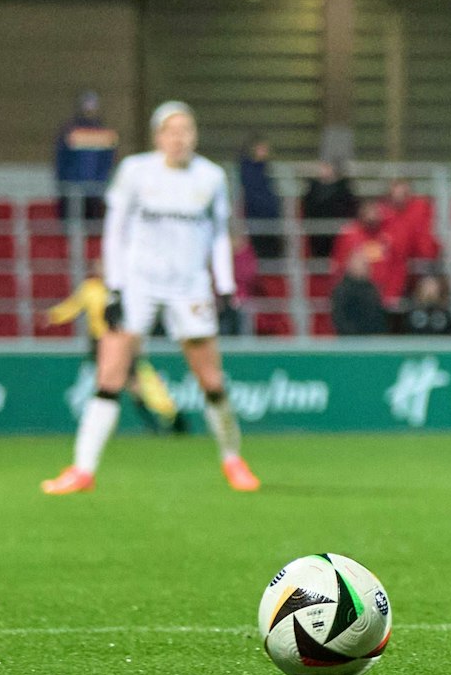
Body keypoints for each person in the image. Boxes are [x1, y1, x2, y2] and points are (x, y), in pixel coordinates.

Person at [42, 101, 258, 495]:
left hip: (189, 285)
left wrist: (224, 287)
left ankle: (233, 459)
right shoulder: (136, 171)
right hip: (139, 284)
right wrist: (115, 288)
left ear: (194, 135)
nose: (179, 138)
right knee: (109, 376)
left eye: (186, 130)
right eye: (171, 131)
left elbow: (218, 236)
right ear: (159, 136)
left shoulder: (210, 177)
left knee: (211, 380)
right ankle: (82, 470)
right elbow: (115, 233)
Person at [42, 275, 184, 434]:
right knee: (116, 383)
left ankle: (164, 419)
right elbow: (73, 306)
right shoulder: (91, 288)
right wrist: (53, 316)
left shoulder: (123, 288)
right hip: (99, 342)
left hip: (120, 340)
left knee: (132, 382)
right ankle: (157, 422)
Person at [330, 199, 409, 308]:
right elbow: (339, 266)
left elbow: (398, 266)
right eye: (368, 211)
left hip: (384, 297)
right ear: (361, 212)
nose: (372, 215)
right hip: (355, 297)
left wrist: (392, 294)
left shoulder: (390, 235)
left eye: (375, 211)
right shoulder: (348, 235)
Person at [53, 90, 118, 221]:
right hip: (72, 189)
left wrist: (102, 181)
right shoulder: (69, 131)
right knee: (70, 224)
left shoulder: (105, 133)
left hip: (96, 189)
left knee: (93, 226)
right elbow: (62, 160)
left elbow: (107, 161)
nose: (89, 111)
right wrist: (66, 180)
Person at [237, 136, 283, 260]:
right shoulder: (247, 168)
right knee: (259, 249)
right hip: (256, 214)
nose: (265, 152)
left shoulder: (266, 167)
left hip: (269, 215)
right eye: (262, 149)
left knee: (271, 249)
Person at [301, 161, 358, 260]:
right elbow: (307, 209)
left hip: (337, 232)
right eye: (323, 167)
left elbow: (350, 208)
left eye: (327, 167)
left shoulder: (343, 188)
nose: (324, 170)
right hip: (317, 232)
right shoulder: (313, 188)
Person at [330, 250, 389, 336]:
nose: (366, 266)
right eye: (362, 263)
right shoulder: (342, 290)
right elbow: (340, 319)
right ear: (350, 265)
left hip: (373, 340)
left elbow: (378, 317)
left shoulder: (372, 289)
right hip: (350, 341)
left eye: (366, 264)